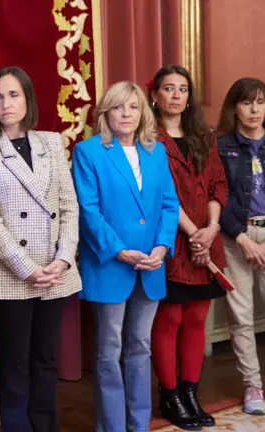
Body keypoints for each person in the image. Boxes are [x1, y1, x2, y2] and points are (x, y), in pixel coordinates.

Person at [0, 66, 81, 432]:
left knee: (45, 359)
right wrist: (26, 267)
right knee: (15, 362)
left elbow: (69, 206)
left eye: (13, 95)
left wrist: (63, 258)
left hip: (55, 272)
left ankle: (45, 427)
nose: (6, 104)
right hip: (10, 274)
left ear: (28, 99)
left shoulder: (51, 142)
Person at [72, 81, 179, 432]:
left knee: (141, 346)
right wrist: (120, 251)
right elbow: (88, 211)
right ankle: (112, 427)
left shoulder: (156, 151)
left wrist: (161, 247)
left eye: (133, 107)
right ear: (105, 112)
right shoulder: (89, 152)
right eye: (118, 107)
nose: (126, 114)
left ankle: (138, 424)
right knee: (109, 349)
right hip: (110, 264)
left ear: (143, 112)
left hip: (151, 265)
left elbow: (169, 205)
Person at [147, 65, 228, 430]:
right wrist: (195, 234)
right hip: (171, 240)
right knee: (170, 319)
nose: (177, 95)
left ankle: (191, 393)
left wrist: (210, 229)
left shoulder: (203, 136)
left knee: (197, 319)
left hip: (206, 238)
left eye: (183, 89)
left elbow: (217, 184)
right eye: (169, 88)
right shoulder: (148, 138)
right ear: (155, 95)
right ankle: (170, 396)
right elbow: (161, 194)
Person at [216, 77, 265, 416]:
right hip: (236, 239)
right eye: (247, 102)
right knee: (242, 316)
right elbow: (218, 198)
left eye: (260, 102)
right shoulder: (221, 147)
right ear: (235, 107)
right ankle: (253, 386)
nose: (254, 109)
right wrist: (242, 237)